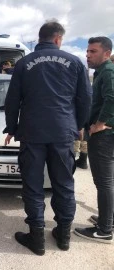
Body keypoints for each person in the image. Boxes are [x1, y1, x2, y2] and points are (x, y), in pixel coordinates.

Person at [3, 20, 92, 255]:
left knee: (32, 185)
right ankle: (63, 236)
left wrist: (11, 128)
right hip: (63, 131)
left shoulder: (23, 63)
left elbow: (12, 100)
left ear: (41, 38)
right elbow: (84, 99)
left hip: (32, 132)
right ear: (58, 39)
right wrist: (79, 125)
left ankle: (37, 238)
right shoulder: (75, 63)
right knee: (63, 183)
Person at [74, 37, 114, 243]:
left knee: (104, 183)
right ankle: (108, 219)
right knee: (107, 182)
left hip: (104, 137)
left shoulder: (107, 71)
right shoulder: (101, 72)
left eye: (93, 51)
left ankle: (105, 230)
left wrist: (100, 123)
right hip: (105, 135)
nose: (88, 55)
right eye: (87, 51)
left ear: (106, 53)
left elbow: (112, 97)